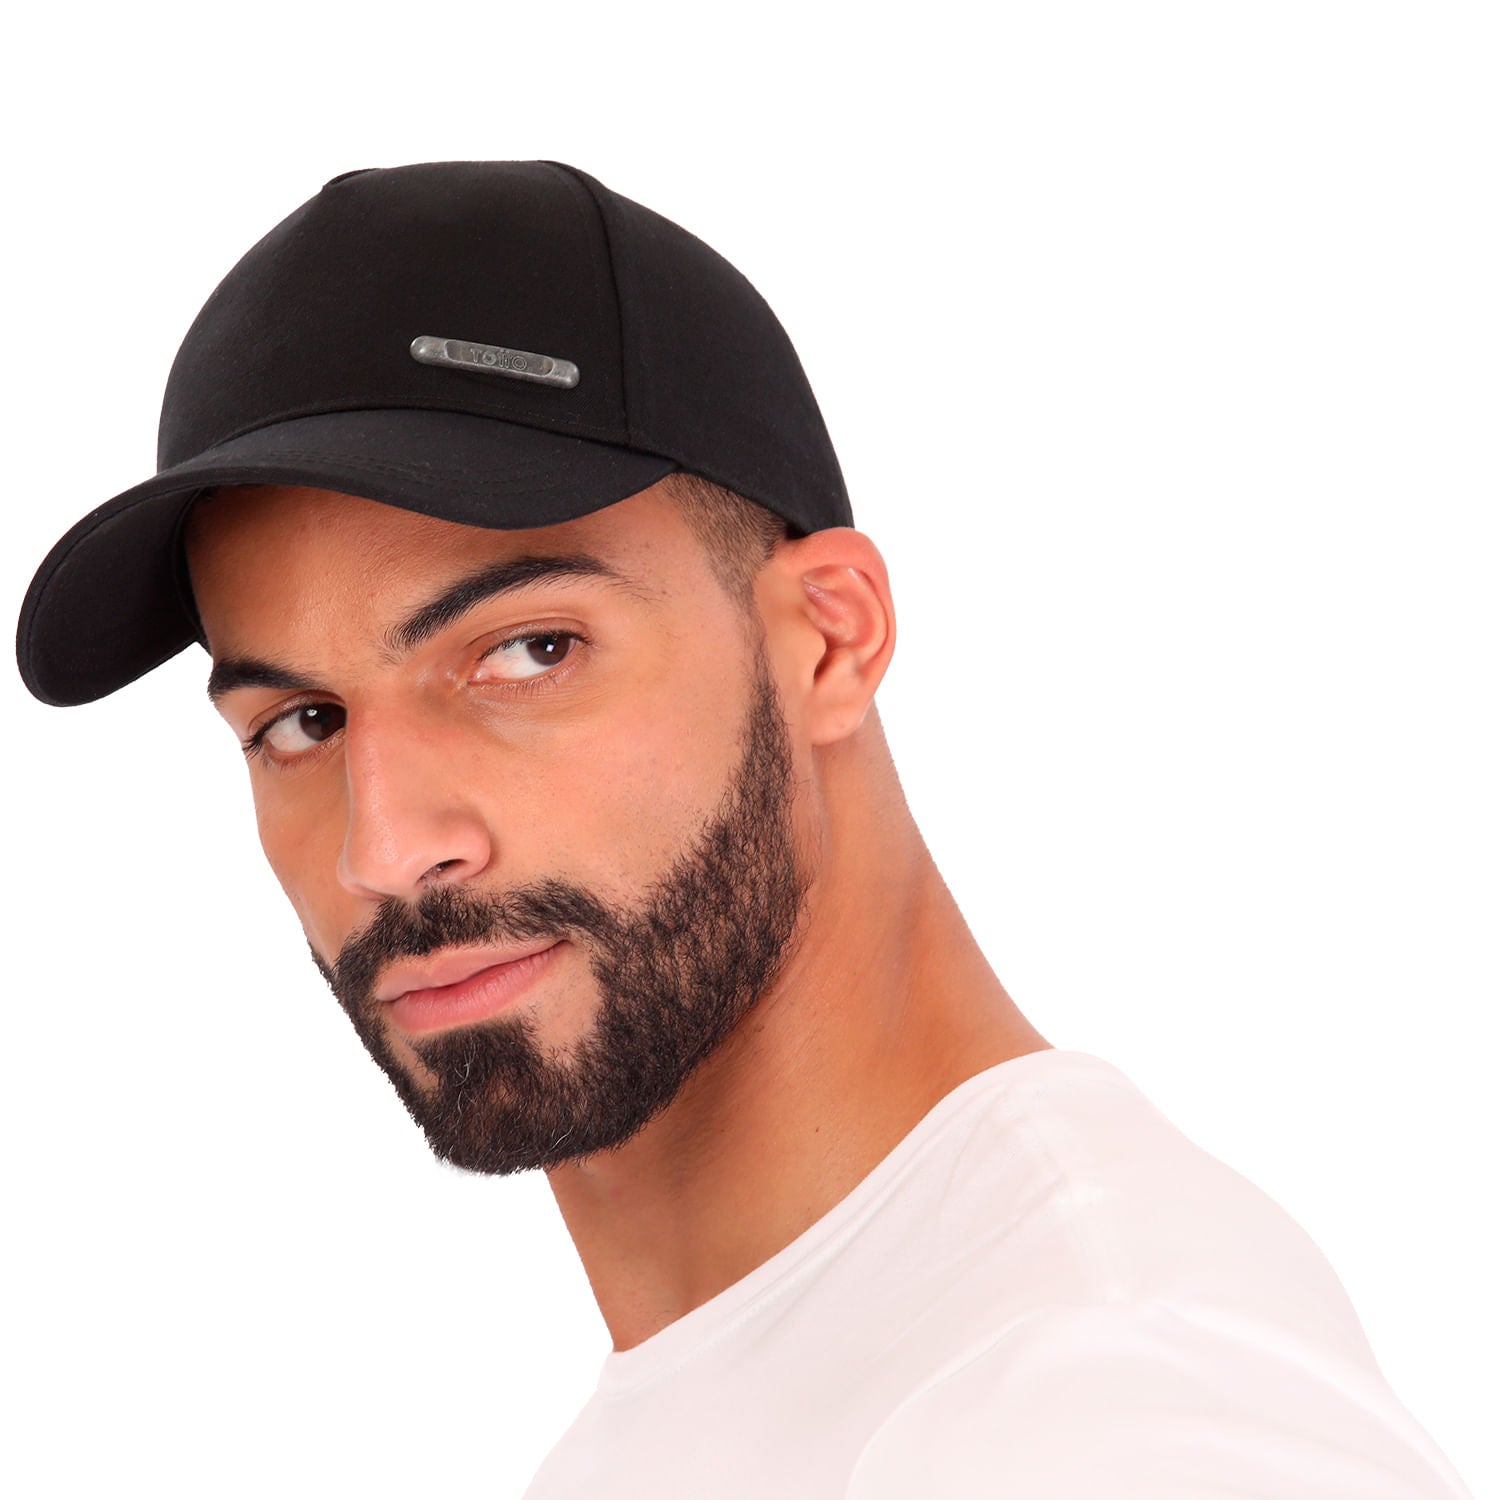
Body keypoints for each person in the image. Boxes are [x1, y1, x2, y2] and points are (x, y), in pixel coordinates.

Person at [16, 160, 1474, 1498]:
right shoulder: (755, 1408)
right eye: (301, 723)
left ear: (829, 639)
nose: (385, 847)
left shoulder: (1110, 1412)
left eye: (529, 652)